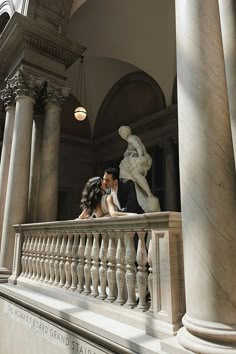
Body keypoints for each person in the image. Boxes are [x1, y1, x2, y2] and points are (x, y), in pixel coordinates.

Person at [118, 126, 152, 197]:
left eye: (123, 132)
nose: (122, 134)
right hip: (139, 159)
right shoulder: (130, 141)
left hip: (143, 159)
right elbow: (126, 153)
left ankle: (149, 194)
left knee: (135, 174)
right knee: (134, 177)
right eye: (121, 133)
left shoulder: (131, 138)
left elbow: (138, 146)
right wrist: (129, 152)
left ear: (128, 131)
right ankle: (144, 194)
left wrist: (140, 157)